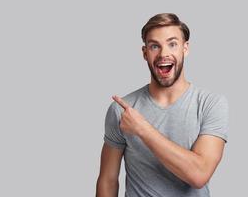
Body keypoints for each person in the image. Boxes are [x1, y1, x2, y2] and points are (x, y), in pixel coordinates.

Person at [96, 13, 229, 197]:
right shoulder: (121, 110)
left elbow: (199, 174)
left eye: (172, 44)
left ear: (185, 48)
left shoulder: (211, 104)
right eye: (154, 46)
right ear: (145, 53)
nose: (163, 53)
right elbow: (108, 180)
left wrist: (142, 129)